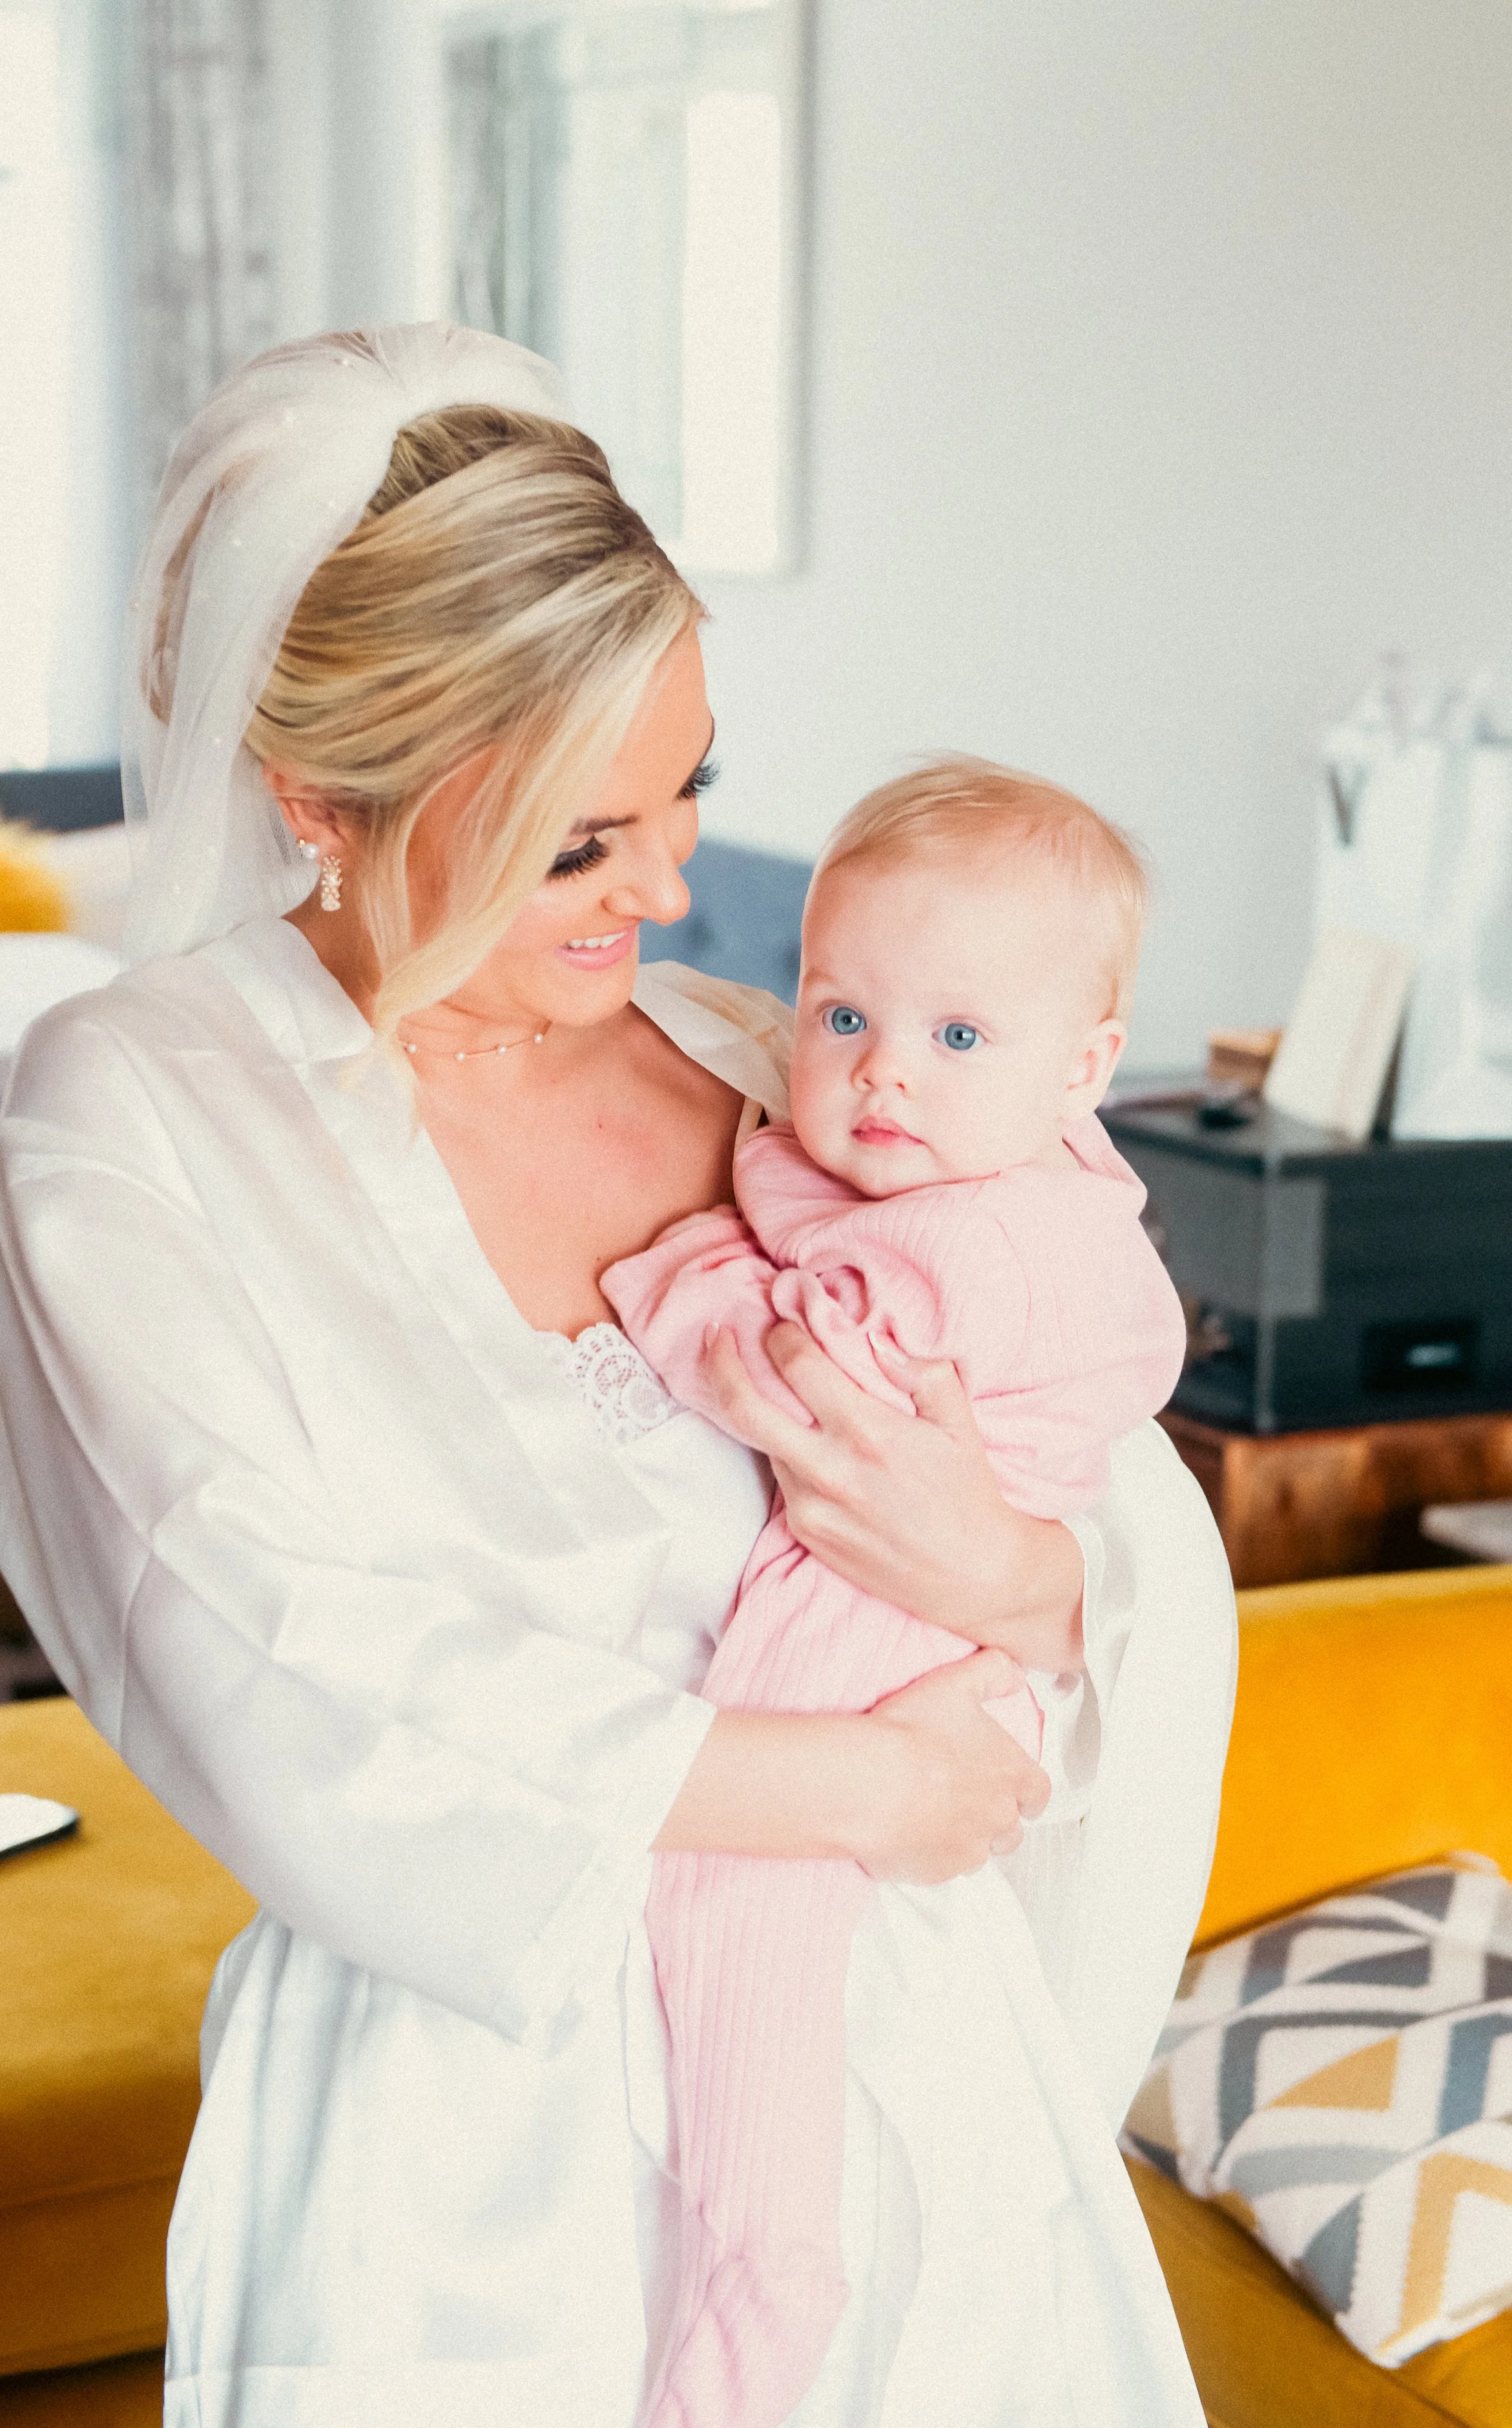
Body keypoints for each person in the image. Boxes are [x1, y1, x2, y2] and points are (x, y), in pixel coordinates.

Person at [0, 322, 1236, 2428]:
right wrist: (846, 1784)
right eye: (578, 842)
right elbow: (256, 1649)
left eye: (693, 794)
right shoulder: (138, 1125)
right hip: (471, 2155)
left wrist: (1012, 1572)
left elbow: (1092, 1465)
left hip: (917, 2098)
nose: (664, 892)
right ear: (317, 797)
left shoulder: (782, 1061)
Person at [604, 758, 1190, 2428]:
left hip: (869, 1640)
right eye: (840, 1012)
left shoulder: (979, 1242)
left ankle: (758, 2276)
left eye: (954, 1039)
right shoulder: (1012, 1184)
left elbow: (785, 1377)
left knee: (735, 1922)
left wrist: (686, 1256)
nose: (875, 1080)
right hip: (910, 1628)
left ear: (1083, 1068)